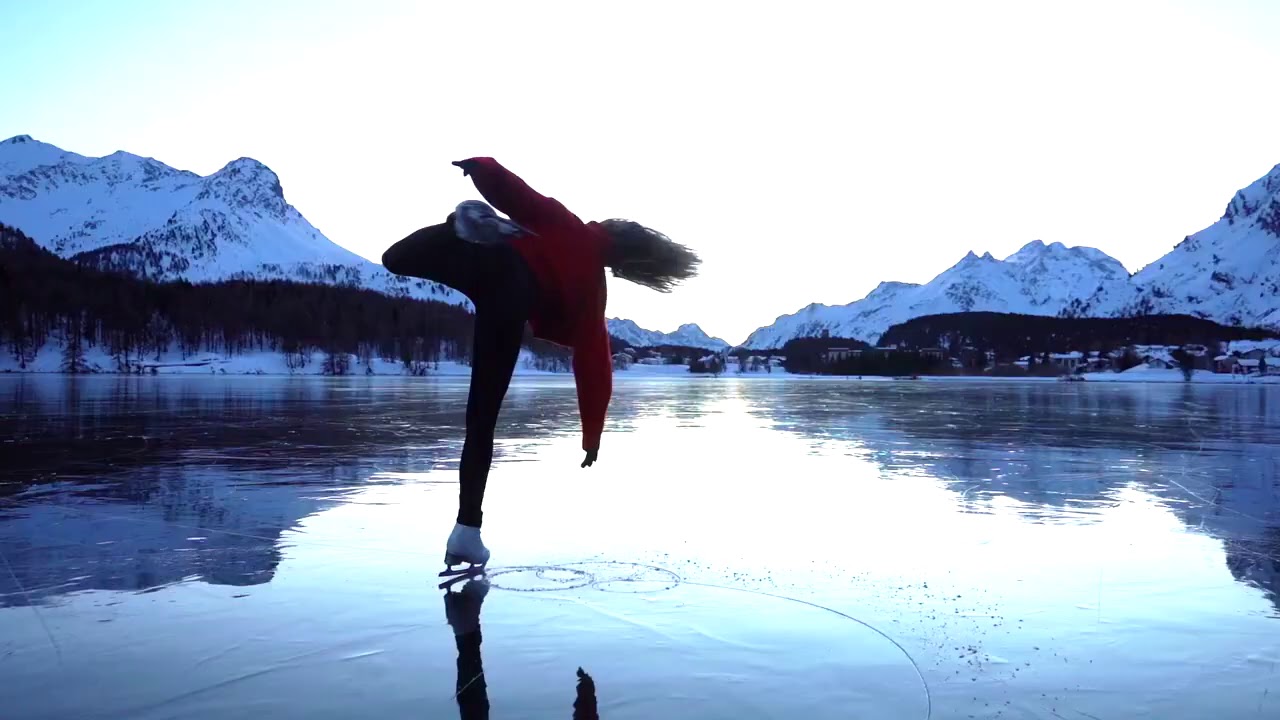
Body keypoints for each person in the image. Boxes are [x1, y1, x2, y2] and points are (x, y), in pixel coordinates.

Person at [381, 157, 700, 573]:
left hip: (490, 256)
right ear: (627, 263)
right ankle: (467, 530)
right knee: (481, 422)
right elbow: (594, 366)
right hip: (510, 296)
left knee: (395, 259)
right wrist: (592, 436)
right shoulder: (593, 291)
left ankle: (458, 226)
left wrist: (481, 168)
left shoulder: (565, 221)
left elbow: (519, 194)